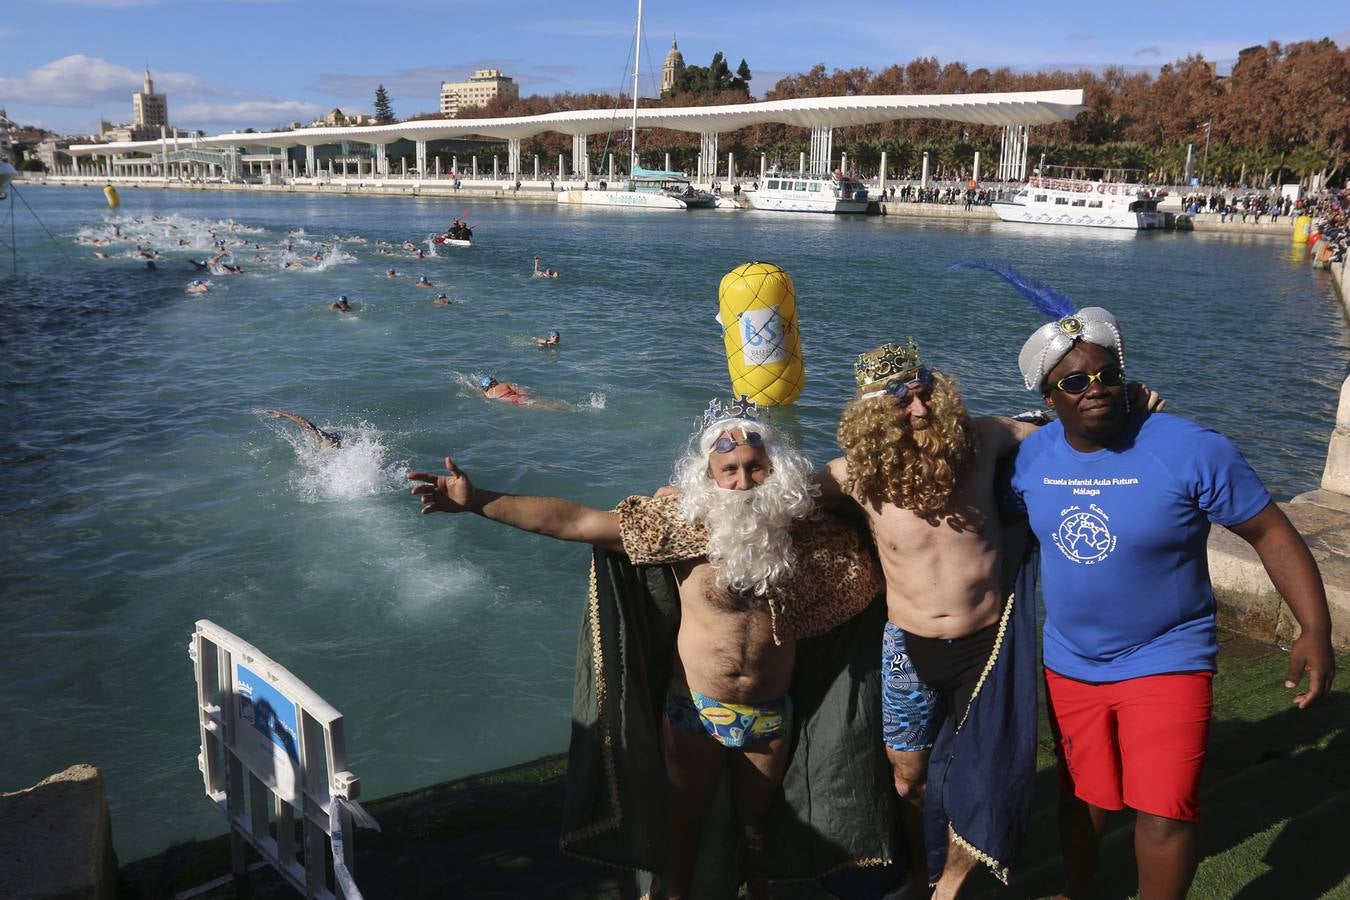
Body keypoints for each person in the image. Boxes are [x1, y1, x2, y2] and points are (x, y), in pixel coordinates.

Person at [407, 403, 887, 899]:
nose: (743, 482)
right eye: (729, 471)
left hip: (768, 715)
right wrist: (476, 500)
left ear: (775, 471)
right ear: (709, 475)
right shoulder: (682, 526)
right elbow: (576, 522)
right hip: (694, 710)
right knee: (683, 828)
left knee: (757, 831)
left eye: (755, 468)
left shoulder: (805, 535)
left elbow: (868, 505)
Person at [1002, 296, 1335, 899]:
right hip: (1069, 664)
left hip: (1168, 657)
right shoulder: (1030, 459)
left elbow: (1272, 534)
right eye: (1075, 381)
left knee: (1163, 811)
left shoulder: (1190, 448)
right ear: (1049, 399)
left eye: (1108, 375)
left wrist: (1314, 628)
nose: (1095, 388)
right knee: (1084, 799)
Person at [820, 339, 1046, 898]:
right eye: (902, 401)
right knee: (908, 778)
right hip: (907, 647)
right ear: (873, 412)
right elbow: (767, 498)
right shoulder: (850, 477)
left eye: (927, 395)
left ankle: (951, 883)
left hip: (986, 642)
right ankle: (922, 871)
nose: (920, 410)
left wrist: (1132, 406)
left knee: (981, 769)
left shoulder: (983, 439)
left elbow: (1063, 433)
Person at [266, 409, 341, 449]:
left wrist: (284, 414)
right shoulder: (331, 443)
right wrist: (284, 414)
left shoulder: (329, 442)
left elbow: (307, 425)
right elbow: (307, 425)